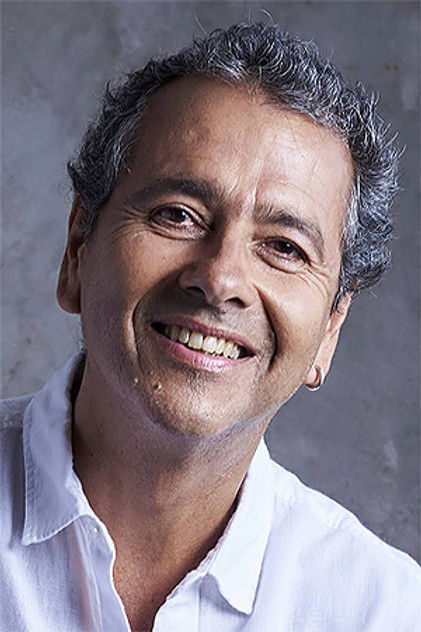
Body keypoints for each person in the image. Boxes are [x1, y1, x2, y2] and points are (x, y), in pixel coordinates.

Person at [1, 22, 420, 632]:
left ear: (331, 327)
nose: (220, 279)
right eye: (178, 215)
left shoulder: (383, 611)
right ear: (78, 248)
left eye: (284, 247)